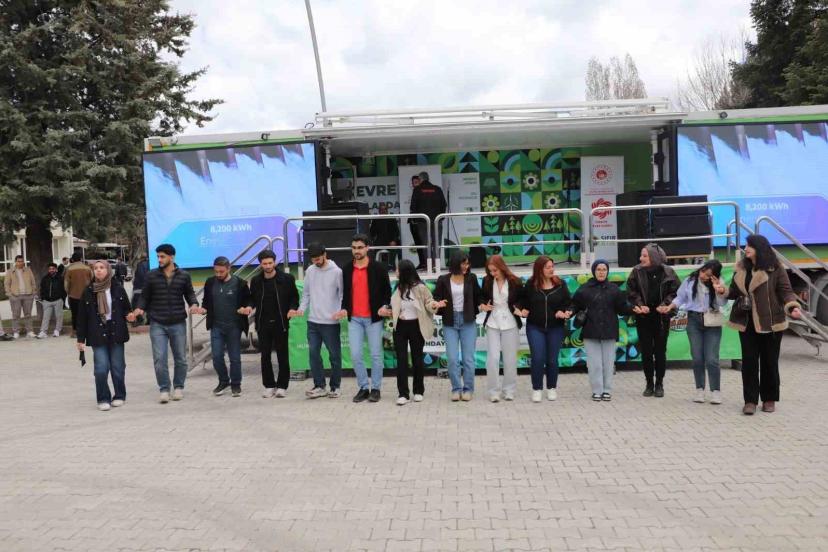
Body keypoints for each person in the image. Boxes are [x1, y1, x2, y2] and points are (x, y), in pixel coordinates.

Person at [727, 234, 802, 415]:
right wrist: (723, 291)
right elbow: (734, 292)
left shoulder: (775, 267)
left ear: (759, 248)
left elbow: (786, 291)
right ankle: (750, 401)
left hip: (771, 323)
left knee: (769, 362)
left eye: (749, 246)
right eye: (746, 245)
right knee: (749, 362)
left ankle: (769, 399)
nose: (746, 249)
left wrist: (793, 307)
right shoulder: (741, 268)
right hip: (746, 322)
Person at [131, 244, 200, 404]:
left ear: (172, 257)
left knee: (180, 358)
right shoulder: (151, 275)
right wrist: (140, 308)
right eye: (158, 257)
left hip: (178, 322)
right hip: (157, 323)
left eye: (162, 256)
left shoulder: (184, 275)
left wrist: (194, 304)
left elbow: (190, 294)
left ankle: (178, 387)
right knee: (159, 358)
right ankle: (164, 389)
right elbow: (145, 296)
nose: (159, 260)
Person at [337, 233, 393, 403]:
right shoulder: (347, 269)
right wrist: (344, 308)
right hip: (354, 319)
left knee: (376, 355)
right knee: (355, 355)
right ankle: (363, 387)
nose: (357, 251)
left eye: (360, 247)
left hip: (373, 319)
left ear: (367, 248)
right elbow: (345, 293)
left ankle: (375, 388)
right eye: (354, 248)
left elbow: (387, 292)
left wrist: (384, 306)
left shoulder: (379, 268)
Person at [665, 260, 728, 404]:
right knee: (697, 357)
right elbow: (680, 297)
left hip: (712, 320)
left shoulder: (719, 282)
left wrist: (718, 290)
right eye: (703, 271)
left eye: (708, 275)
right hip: (694, 320)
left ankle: (715, 391)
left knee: (712, 358)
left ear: (714, 276)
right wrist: (670, 306)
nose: (703, 275)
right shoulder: (690, 280)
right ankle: (700, 390)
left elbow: (722, 303)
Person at [570, 259, 634, 401]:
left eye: (604, 269)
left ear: (607, 271)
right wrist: (569, 311)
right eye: (598, 269)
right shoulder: (584, 289)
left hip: (609, 331)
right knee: (595, 364)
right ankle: (596, 390)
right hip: (590, 331)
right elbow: (575, 305)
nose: (601, 272)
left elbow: (622, 307)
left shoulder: (614, 289)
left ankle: (607, 390)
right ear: (593, 271)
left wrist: (634, 309)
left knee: (608, 363)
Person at [76, 260, 135, 411]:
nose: (98, 270)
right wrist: (80, 339)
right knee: (101, 368)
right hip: (97, 332)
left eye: (102, 267)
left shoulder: (117, 288)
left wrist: (129, 315)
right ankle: (103, 398)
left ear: (108, 270)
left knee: (118, 367)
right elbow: (82, 317)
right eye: (96, 268)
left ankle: (119, 395)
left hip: (116, 331)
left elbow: (127, 309)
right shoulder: (88, 291)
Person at [288, 242, 344, 399]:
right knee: (313, 354)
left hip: (331, 322)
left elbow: (342, 294)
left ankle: (335, 386)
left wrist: (340, 310)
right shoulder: (310, 271)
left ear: (325, 254)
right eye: (313, 260)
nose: (316, 262)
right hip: (313, 321)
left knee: (334, 355)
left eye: (318, 259)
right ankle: (319, 386)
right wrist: (301, 309)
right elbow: (306, 294)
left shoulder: (337, 272)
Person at [625, 243, 680, 398]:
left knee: (660, 351)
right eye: (641, 255)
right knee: (646, 352)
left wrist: (665, 305)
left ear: (654, 257)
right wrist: (640, 305)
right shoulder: (636, 271)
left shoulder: (668, 272)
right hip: (644, 316)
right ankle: (649, 383)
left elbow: (676, 292)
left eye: (644, 255)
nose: (640, 258)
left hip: (661, 317)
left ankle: (659, 384)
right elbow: (631, 292)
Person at [518, 255, 571, 403]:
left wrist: (564, 312)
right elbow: (523, 301)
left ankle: (552, 387)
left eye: (552, 266)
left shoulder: (561, 284)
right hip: (535, 327)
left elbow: (568, 303)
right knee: (538, 358)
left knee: (552, 360)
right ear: (539, 269)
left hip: (556, 327)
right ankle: (537, 389)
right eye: (548, 267)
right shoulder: (531, 285)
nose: (551, 269)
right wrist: (522, 309)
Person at [431, 250, 482, 401]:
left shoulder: (471, 278)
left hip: (468, 322)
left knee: (468, 359)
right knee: (452, 358)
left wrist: (482, 305)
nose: (466, 266)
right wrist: (437, 303)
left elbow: (478, 297)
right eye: (463, 263)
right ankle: (456, 388)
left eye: (468, 264)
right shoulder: (443, 279)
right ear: (455, 263)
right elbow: (436, 298)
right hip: (450, 322)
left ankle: (468, 389)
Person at [387, 259, 437, 405]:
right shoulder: (397, 287)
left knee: (417, 359)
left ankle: (418, 391)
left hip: (416, 326)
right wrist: (388, 310)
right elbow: (392, 305)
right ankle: (403, 393)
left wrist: (434, 305)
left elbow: (429, 302)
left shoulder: (421, 287)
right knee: (401, 360)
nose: (396, 272)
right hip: (400, 327)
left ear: (404, 271)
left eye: (398, 269)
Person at [250, 250, 299, 398]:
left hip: (281, 323)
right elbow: (252, 299)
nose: (267, 266)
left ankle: (282, 386)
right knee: (265, 356)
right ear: (260, 264)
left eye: (270, 263)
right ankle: (269, 385)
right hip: (262, 323)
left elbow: (294, 298)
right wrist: (249, 306)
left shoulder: (287, 279)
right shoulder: (256, 281)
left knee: (282, 355)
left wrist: (292, 309)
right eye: (264, 263)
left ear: (275, 262)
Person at [202, 256, 252, 398]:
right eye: (216, 271)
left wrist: (247, 307)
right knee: (216, 356)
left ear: (229, 269)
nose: (218, 274)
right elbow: (206, 301)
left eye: (221, 272)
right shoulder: (210, 282)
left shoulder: (240, 283)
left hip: (234, 326)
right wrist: (203, 309)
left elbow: (249, 299)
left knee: (234, 357)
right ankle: (224, 381)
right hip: (216, 326)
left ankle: (236, 383)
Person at [480, 255, 524, 403]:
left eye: (495, 270)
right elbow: (481, 297)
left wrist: (519, 308)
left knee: (510, 359)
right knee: (492, 358)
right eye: (490, 271)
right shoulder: (486, 281)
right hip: (493, 321)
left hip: (510, 321)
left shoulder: (515, 281)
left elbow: (522, 299)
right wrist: (483, 305)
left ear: (502, 267)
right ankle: (493, 391)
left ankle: (509, 390)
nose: (493, 273)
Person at [409, 172, 447, 270]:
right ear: (428, 178)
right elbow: (444, 204)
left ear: (420, 179)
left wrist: (416, 219)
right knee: (437, 243)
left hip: (423, 222)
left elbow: (413, 206)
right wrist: (441, 217)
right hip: (436, 221)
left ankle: (429, 266)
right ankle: (436, 265)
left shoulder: (417, 190)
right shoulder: (437, 189)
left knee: (426, 244)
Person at [4, 255, 37, 338]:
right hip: (15, 296)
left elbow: (33, 282)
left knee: (28, 314)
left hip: (28, 295)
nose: (20, 263)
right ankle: (16, 331)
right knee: (16, 315)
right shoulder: (10, 271)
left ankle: (30, 331)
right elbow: (7, 284)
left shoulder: (28, 270)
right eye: (19, 261)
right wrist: (10, 295)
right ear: (15, 262)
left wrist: (33, 293)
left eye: (22, 261)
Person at [64, 252, 93, 337]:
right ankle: (87, 331)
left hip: (73, 295)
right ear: (81, 259)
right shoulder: (87, 268)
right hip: (86, 294)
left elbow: (66, 283)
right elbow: (92, 280)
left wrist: (68, 292)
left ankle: (75, 332)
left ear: (72, 259)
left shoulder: (69, 269)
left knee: (75, 314)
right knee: (87, 313)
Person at [37, 262, 67, 338]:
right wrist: (43, 298)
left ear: (56, 269)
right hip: (47, 301)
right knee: (46, 317)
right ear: (48, 270)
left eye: (53, 269)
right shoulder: (45, 278)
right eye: (50, 269)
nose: (51, 270)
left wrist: (62, 298)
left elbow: (64, 289)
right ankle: (43, 331)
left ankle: (57, 330)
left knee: (59, 316)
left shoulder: (60, 278)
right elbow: (42, 289)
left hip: (58, 300)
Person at [369, 206, 401, 270]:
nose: (383, 211)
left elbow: (397, 232)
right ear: (379, 211)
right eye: (381, 210)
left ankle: (391, 265)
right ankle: (375, 267)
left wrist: (394, 240)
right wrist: (372, 240)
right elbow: (372, 233)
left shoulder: (392, 219)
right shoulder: (375, 220)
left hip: (390, 241)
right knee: (372, 249)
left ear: (387, 211)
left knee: (394, 247)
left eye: (384, 209)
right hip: (380, 241)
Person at [131, 256, 149, 325]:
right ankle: (148, 320)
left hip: (139, 289)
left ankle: (138, 319)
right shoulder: (152, 264)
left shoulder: (140, 265)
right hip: (148, 288)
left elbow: (139, 277)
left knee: (136, 304)